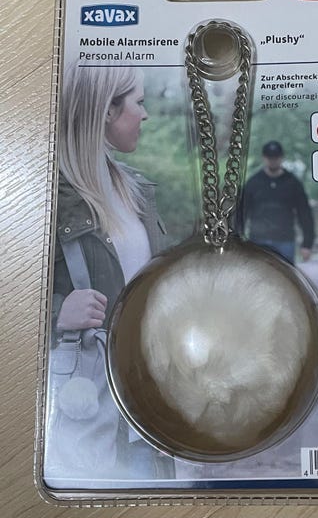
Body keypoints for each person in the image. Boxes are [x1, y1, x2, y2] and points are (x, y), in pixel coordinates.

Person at [47, 63, 173, 482]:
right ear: (105, 110)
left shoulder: (136, 190)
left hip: (147, 409)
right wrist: (57, 312)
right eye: (139, 102)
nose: (146, 114)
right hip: (90, 418)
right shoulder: (47, 192)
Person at [239, 141, 315, 264]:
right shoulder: (253, 183)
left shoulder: (293, 183)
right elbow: (241, 213)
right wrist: (238, 242)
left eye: (276, 157)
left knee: (285, 275)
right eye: (270, 158)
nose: (273, 161)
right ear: (264, 158)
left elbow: (304, 213)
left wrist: (307, 244)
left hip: (285, 241)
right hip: (258, 242)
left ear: (281, 158)